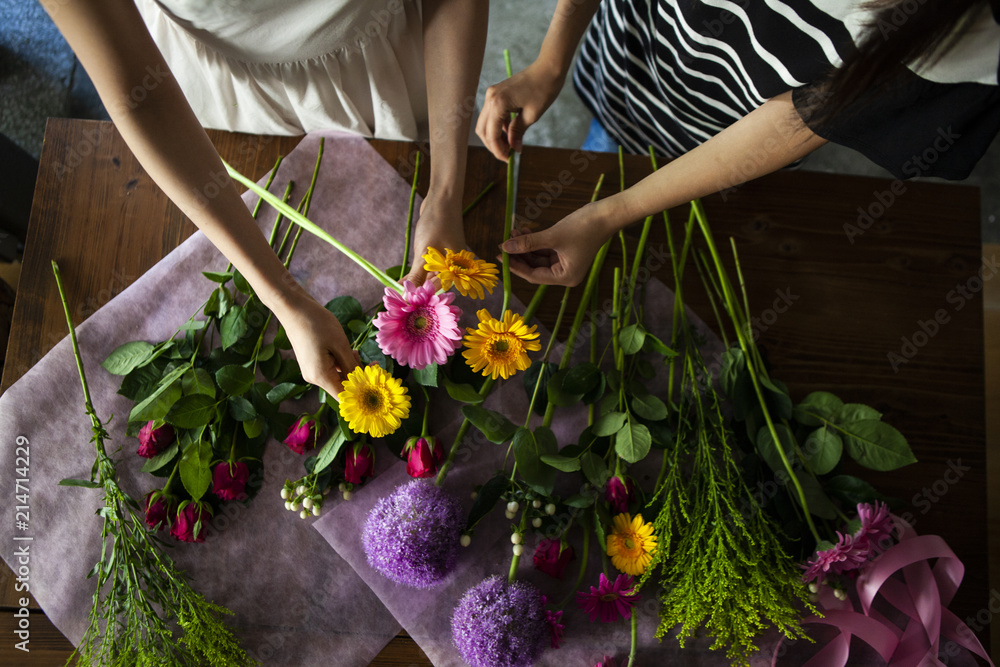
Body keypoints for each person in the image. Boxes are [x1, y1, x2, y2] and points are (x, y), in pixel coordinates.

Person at [42, 0, 487, 397]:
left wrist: (444, 195)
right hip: (213, 102)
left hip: (384, 63)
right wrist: (284, 299)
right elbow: (141, 100)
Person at [476, 0, 1000, 286]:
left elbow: (796, 121)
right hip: (632, 49)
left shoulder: (976, 33)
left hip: (728, 136)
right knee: (611, 143)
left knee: (692, 216)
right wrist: (551, 60)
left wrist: (606, 215)